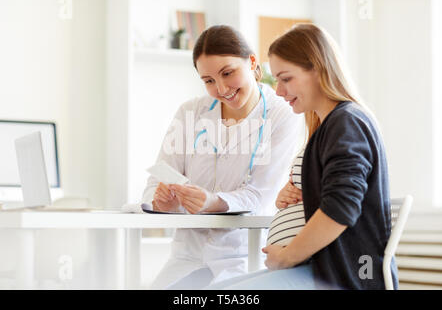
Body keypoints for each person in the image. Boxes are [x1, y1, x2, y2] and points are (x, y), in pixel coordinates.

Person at [205, 23, 398, 290]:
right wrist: (304, 194)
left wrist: (286, 257)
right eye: (276, 81)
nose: (280, 91)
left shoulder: (346, 123)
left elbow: (341, 208)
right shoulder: (329, 126)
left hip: (345, 278)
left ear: (318, 69)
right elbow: (339, 195)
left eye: (286, 78)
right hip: (321, 270)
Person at [142, 25, 304, 289]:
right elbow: (154, 183)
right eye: (208, 81)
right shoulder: (190, 112)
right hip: (188, 254)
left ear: (251, 62)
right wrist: (163, 203)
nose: (222, 88)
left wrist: (213, 201)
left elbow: (260, 195)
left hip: (242, 253)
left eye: (228, 73)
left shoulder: (280, 113)